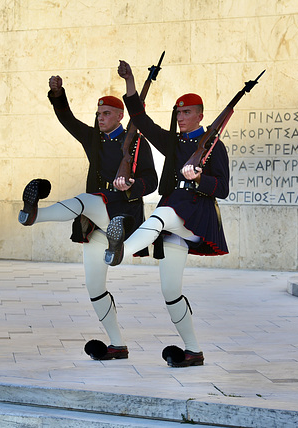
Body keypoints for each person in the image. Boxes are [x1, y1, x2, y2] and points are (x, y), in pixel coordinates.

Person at [19, 75, 158, 361]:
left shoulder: (136, 144)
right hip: (94, 223)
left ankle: (35, 215)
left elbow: (152, 181)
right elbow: (68, 120)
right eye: (98, 113)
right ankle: (117, 345)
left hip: (121, 216)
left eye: (106, 113)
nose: (100, 118)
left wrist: (132, 185)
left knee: (85, 200)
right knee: (95, 287)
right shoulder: (93, 139)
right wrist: (57, 94)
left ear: (120, 116)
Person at [104, 60, 230, 368]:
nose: (181, 117)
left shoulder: (214, 147)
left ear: (200, 115)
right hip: (174, 215)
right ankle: (193, 350)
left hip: (196, 213)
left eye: (187, 112)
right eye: (178, 112)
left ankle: (120, 249)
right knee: (170, 290)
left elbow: (223, 189)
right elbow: (140, 119)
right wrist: (131, 81)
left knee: (160, 217)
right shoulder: (172, 144)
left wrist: (199, 178)